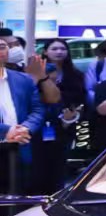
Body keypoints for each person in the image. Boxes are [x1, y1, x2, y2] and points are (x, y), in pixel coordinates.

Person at [25, 41, 86, 190]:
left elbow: (77, 102)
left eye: (62, 48)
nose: (59, 52)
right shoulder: (31, 86)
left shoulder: (74, 76)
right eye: (54, 48)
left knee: (57, 168)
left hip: (61, 133)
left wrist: (69, 119)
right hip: (34, 134)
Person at [2, 49, 48, 197]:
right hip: (10, 138)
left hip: (19, 146)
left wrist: (26, 128)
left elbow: (38, 109)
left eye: (2, 46)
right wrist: (6, 131)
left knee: (18, 197)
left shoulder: (23, 79)